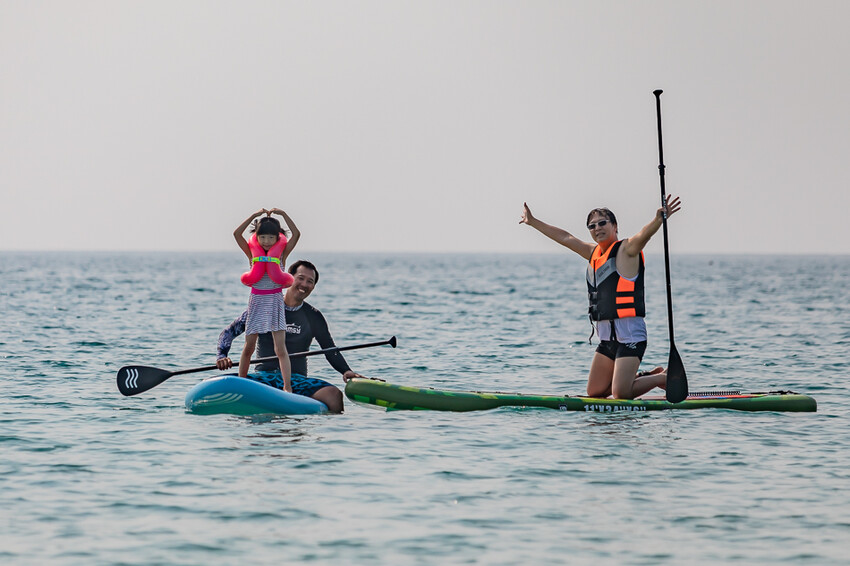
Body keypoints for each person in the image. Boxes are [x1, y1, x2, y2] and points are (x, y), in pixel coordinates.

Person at [519, 195, 682, 399]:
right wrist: (533, 222)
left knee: (621, 393)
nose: (597, 228)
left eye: (602, 223)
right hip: (606, 339)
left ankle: (663, 378)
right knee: (594, 391)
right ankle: (644, 377)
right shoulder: (593, 253)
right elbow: (565, 238)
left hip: (630, 336)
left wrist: (658, 220)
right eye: (592, 225)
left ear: (615, 226)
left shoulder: (627, 250)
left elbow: (643, 236)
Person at [216, 260, 364, 413]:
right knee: (222, 383)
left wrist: (345, 370)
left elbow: (329, 349)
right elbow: (228, 332)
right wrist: (222, 355)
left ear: (313, 287)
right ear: (288, 278)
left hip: (297, 380)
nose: (304, 284)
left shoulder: (313, 316)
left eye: (310, 281)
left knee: (334, 395)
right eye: (300, 278)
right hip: (264, 378)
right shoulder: (264, 307)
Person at [233, 208, 300, 392]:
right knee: (249, 347)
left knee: (280, 349)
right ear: (257, 236)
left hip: (275, 301)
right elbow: (236, 234)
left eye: (271, 237)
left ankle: (287, 387)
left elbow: (296, 234)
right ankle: (241, 384)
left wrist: (284, 215)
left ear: (277, 238)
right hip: (257, 301)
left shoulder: (282, 254)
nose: (266, 241)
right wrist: (254, 216)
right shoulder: (252, 254)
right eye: (262, 237)